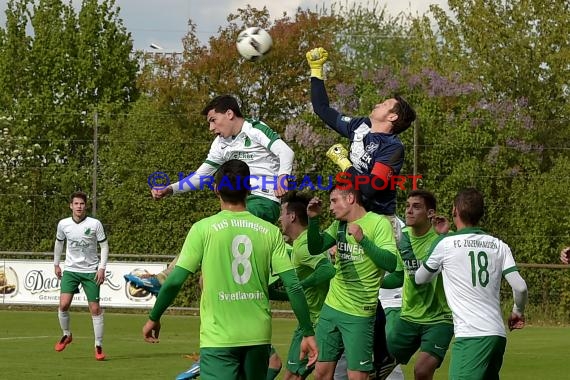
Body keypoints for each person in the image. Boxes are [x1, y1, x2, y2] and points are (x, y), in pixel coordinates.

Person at [126, 94, 294, 379]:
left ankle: (164, 279)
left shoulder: (255, 129)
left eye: (213, 120)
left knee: (209, 230)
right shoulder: (221, 144)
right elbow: (203, 175)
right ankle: (225, 354)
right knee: (208, 279)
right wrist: (171, 189)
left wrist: (283, 176)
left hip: (261, 203)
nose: (212, 128)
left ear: (230, 114)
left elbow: (285, 152)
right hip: (242, 204)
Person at [141, 159, 318, 380]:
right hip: (257, 336)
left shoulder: (203, 229)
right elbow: (293, 285)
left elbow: (175, 281)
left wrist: (154, 317)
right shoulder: (269, 232)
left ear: (216, 189)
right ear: (249, 190)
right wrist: (308, 332)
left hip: (218, 338)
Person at [415, 188, 528, 380]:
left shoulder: (446, 244)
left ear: (454, 211)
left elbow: (420, 278)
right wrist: (517, 311)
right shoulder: (499, 245)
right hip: (497, 335)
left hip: (472, 336)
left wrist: (440, 237)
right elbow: (520, 287)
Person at [305, 47, 416, 220]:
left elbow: (371, 188)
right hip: (355, 214)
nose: (379, 104)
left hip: (380, 220)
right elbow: (322, 109)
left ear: (392, 116)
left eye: (385, 104)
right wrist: (316, 70)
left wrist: (344, 163)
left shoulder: (393, 147)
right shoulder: (361, 125)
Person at [306, 186, 398, 380]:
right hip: (331, 308)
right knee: (321, 373)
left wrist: (363, 240)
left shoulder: (378, 223)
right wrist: (313, 220)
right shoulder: (338, 225)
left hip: (359, 314)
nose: (331, 207)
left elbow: (390, 262)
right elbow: (315, 247)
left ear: (350, 198)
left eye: (334, 201)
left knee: (357, 376)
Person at [381, 190, 454, 380]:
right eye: (407, 206)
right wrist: (375, 283)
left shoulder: (445, 239)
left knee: (421, 371)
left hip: (439, 319)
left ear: (430, 213)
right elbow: (398, 276)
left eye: (416, 206)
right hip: (408, 317)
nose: (409, 211)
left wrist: (443, 236)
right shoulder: (401, 237)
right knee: (378, 368)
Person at [279, 191, 336, 380]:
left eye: (282, 213)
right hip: (310, 319)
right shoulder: (301, 243)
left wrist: (300, 285)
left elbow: (327, 270)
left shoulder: (304, 246)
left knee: (293, 377)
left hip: (315, 321)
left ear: (292, 216)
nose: (280, 218)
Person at [53, 191, 109, 361]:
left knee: (95, 309)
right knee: (63, 305)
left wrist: (101, 268)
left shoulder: (95, 224)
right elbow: (59, 243)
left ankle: (98, 346)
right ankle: (66, 335)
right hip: (70, 269)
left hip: (90, 271)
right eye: (76, 204)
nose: (79, 207)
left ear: (86, 206)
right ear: (71, 206)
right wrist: (56, 264)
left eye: (82, 204)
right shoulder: (63, 224)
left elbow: (104, 246)